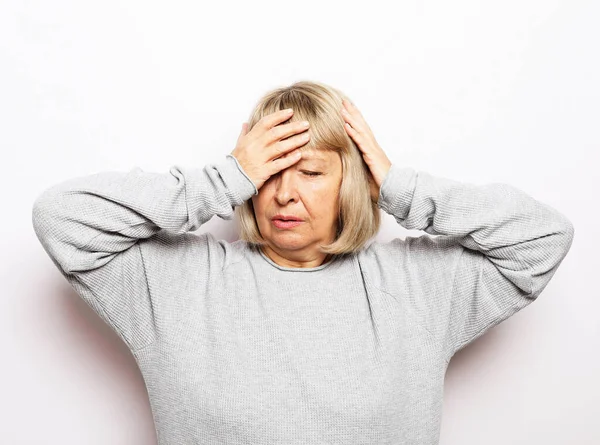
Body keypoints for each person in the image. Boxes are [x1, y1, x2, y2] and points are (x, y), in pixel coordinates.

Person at [31, 80, 574, 444]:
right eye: (267, 172)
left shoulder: (419, 287)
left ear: (352, 184)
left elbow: (543, 237)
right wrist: (222, 179)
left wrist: (398, 186)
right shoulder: (176, 284)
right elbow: (61, 218)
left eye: (311, 172)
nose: (284, 195)